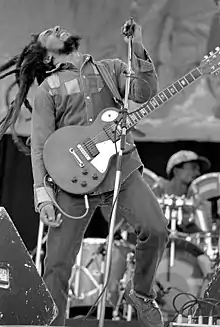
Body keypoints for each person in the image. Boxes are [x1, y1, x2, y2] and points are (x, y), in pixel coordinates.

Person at [0, 21, 168, 327]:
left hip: (119, 169)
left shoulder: (110, 69)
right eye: (49, 34)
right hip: (72, 182)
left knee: (157, 229)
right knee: (57, 265)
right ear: (47, 57)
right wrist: (43, 194)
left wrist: (138, 46)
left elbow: (145, 93)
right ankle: (53, 324)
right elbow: (39, 146)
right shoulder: (49, 89)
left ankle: (141, 293)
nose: (57, 27)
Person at [152, 150, 212, 233]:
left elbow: (205, 237)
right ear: (176, 170)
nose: (198, 173)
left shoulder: (196, 199)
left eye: (199, 170)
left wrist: (190, 223)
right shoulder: (157, 190)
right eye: (193, 167)